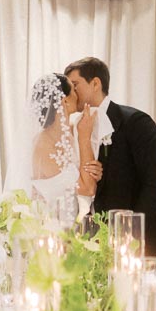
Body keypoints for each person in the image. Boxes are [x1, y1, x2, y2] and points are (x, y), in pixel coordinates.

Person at [65, 56, 156, 255]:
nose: (71, 93)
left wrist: (129, 234)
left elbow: (154, 185)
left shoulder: (136, 123)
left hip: (144, 244)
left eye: (75, 85)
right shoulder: (71, 130)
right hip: (97, 245)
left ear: (95, 83)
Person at [23, 73, 101, 218]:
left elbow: (87, 178)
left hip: (78, 226)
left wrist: (96, 171)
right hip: (53, 230)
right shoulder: (42, 146)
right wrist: (84, 138)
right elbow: (87, 189)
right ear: (64, 101)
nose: (78, 94)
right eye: (74, 89)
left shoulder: (74, 130)